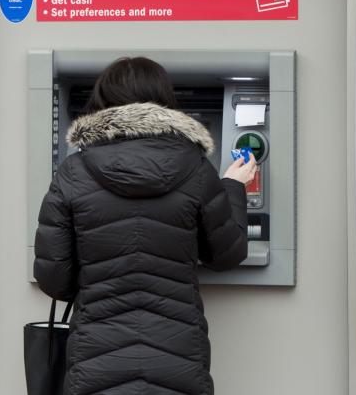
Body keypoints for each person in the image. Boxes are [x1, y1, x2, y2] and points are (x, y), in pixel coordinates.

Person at [33, 56, 255, 395]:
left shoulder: (72, 173)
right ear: (165, 102)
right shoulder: (197, 168)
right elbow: (226, 254)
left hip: (96, 359)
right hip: (178, 356)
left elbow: (55, 280)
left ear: (100, 103)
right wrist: (233, 186)